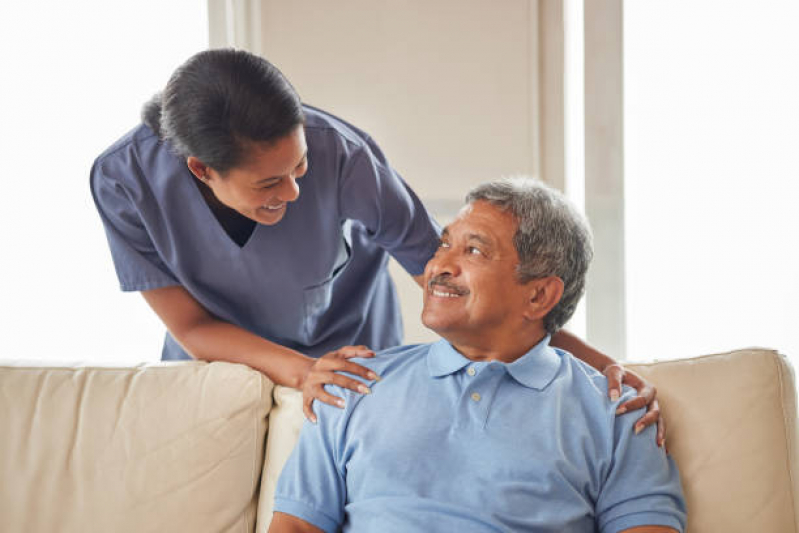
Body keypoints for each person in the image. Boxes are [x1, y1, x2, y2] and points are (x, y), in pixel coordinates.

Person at [91, 49, 661, 439]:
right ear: (201, 169)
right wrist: (299, 371)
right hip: (215, 363)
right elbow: (190, 328)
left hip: (348, 360)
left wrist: (604, 366)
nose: (293, 189)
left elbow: (470, 291)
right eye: (269, 182)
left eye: (300, 166)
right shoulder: (123, 181)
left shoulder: (342, 154)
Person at [269, 177, 686, 533]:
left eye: (473, 251)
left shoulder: (619, 413)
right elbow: (296, 525)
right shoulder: (350, 382)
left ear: (539, 295)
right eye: (444, 244)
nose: (437, 266)